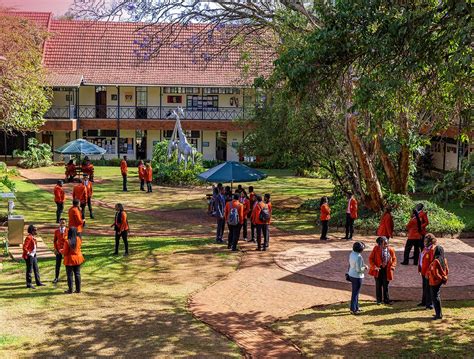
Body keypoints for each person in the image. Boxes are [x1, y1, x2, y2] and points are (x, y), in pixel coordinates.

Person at [368, 237, 397, 305]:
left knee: (385, 285)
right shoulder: (376, 248)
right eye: (384, 244)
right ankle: (379, 300)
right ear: (380, 244)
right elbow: (371, 258)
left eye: (387, 243)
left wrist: (392, 267)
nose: (386, 245)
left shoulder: (391, 249)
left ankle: (386, 300)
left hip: (387, 270)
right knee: (378, 285)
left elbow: (394, 259)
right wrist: (374, 266)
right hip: (378, 269)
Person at [427, 245, 449, 320]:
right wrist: (443, 278)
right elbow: (447, 270)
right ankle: (439, 313)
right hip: (439, 281)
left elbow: (435, 272)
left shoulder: (436, 260)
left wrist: (439, 279)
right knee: (437, 296)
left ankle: (438, 315)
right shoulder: (444, 259)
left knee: (435, 297)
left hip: (434, 281)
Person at [61, 227, 85, 294]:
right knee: (77, 274)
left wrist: (61, 251)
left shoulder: (67, 241)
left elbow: (65, 252)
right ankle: (78, 289)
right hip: (77, 259)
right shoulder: (79, 239)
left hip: (70, 260)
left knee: (69, 275)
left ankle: (70, 289)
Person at [418, 233, 438, 309]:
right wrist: (420, 269)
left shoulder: (432, 249)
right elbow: (421, 259)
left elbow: (432, 263)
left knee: (428, 288)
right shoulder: (425, 248)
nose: (424, 242)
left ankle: (429, 304)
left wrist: (428, 273)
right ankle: (424, 301)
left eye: (426, 241)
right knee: (424, 287)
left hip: (428, 273)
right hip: (423, 271)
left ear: (430, 241)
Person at [22, 224, 45, 289]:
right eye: (35, 230)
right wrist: (28, 253)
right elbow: (24, 247)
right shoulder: (29, 237)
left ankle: (38, 282)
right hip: (29, 256)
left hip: (34, 255)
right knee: (29, 270)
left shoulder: (33, 237)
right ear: (32, 231)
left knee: (36, 269)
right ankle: (29, 284)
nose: (36, 231)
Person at [348, 241, 367, 314]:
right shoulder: (359, 257)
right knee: (355, 293)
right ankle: (353, 309)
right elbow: (359, 269)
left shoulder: (352, 253)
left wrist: (362, 265)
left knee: (355, 292)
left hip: (351, 274)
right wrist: (365, 268)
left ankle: (356, 307)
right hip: (357, 276)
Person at [53, 218, 68, 284]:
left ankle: (68, 277)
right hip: (59, 250)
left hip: (66, 249)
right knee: (57, 264)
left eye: (63, 222)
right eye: (61, 222)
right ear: (59, 223)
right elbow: (54, 240)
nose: (62, 224)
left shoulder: (68, 230)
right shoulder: (56, 231)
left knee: (67, 264)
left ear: (66, 223)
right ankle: (56, 277)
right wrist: (55, 249)